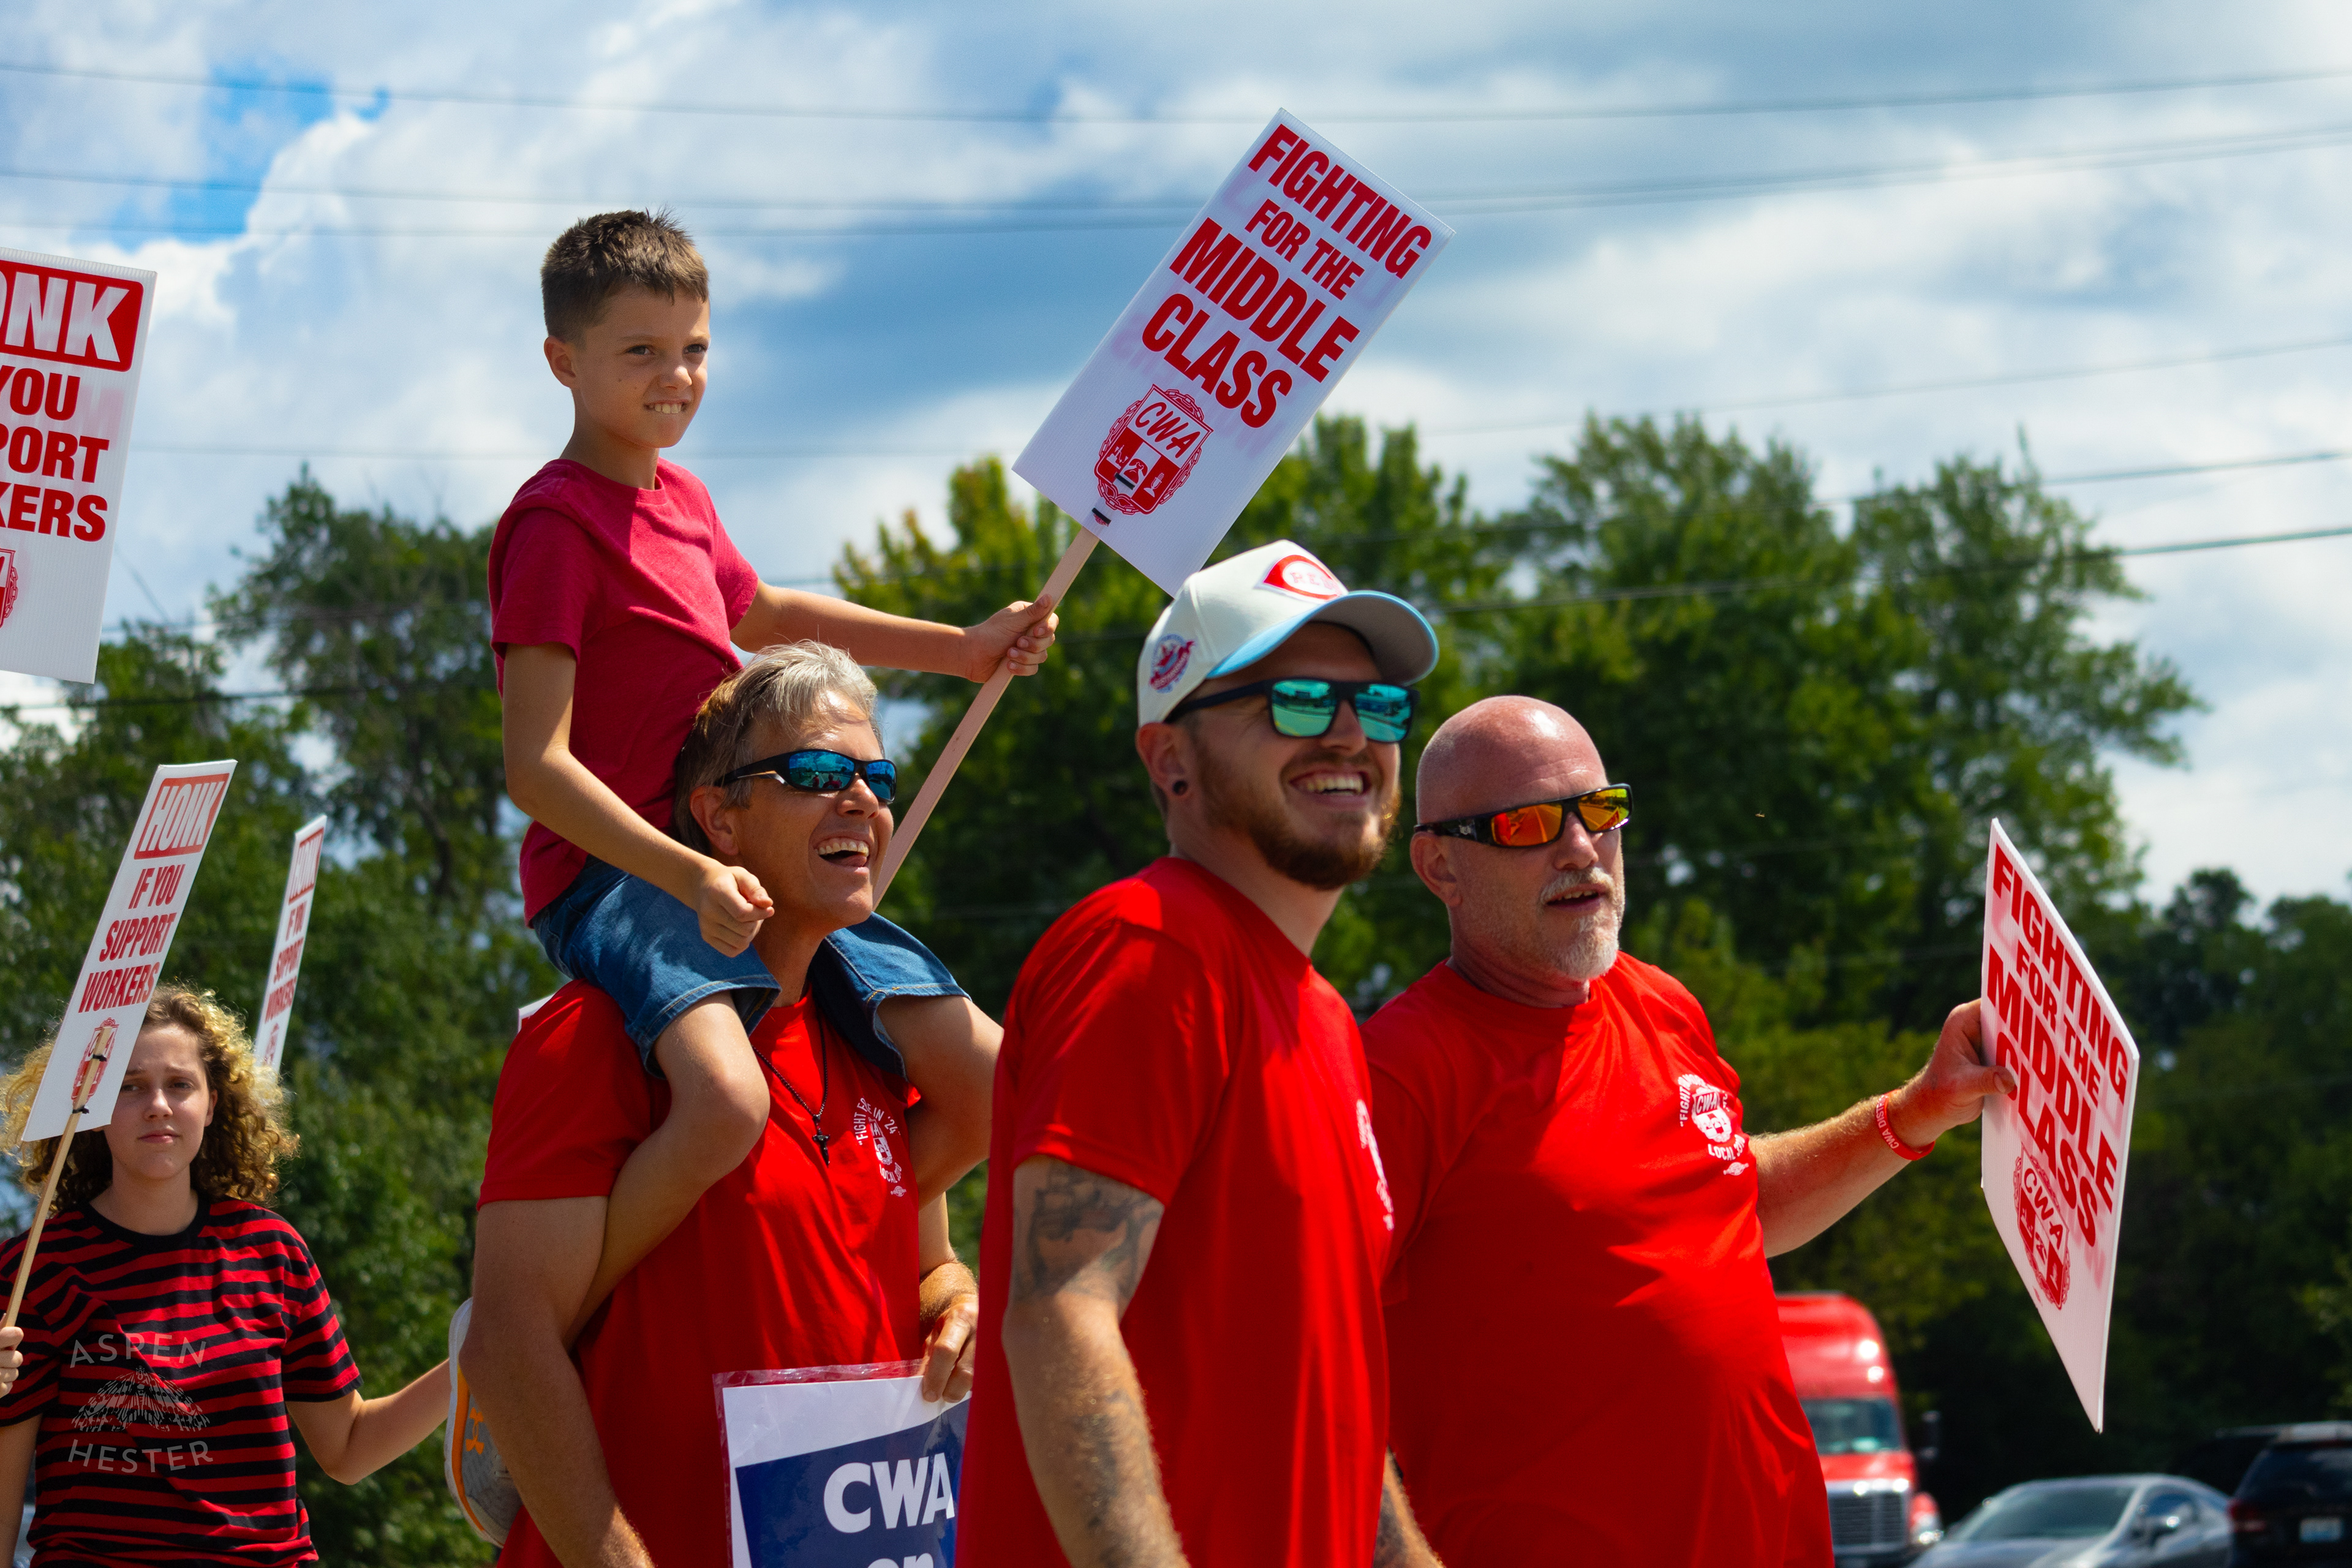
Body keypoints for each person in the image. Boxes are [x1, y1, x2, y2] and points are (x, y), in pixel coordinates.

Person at [489, 208, 1056, 1325]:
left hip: (745, 850)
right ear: (564, 362)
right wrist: (685, 874)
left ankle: (863, 1235)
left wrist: (961, 649)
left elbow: (770, 611)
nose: (677, 375)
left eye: (695, 348)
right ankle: (548, 1333)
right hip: (620, 876)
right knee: (725, 1105)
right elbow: (535, 768)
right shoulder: (555, 527)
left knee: (1002, 1083)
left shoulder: (686, 502)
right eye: (641, 351)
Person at [1368, 695, 2017, 1564]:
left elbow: (1730, 1204)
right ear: (1439, 865)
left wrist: (1914, 1112)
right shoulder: (1400, 1069)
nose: (1580, 848)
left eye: (1599, 812)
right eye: (1527, 824)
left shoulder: (1660, 1002)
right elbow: (1299, 1349)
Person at [958, 540, 1445, 1568]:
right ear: (1170, 760)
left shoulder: (1323, 1019)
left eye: (1380, 705)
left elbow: (1332, 1409)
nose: (1353, 732)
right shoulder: (1150, 948)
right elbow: (1060, 1312)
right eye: (1299, 702)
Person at [461, 642, 986, 1568]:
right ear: (721, 822)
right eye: (820, 772)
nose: (862, 797)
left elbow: (926, 1269)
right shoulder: (591, 1036)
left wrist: (956, 1301)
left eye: (878, 775)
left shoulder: (877, 1052)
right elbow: (509, 1348)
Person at [0, 987, 450, 1564]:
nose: (158, 1104)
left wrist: (476, 1352)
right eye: (130, 1086)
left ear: (212, 1104)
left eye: (179, 1084)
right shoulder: (34, 1270)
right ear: (91, 1105)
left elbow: (349, 1449)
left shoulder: (273, 1252)